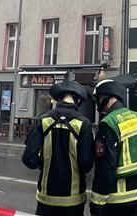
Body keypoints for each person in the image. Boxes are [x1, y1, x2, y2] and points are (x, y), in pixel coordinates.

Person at [22, 80, 94, 216]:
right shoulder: (83, 124)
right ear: (77, 100)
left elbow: (28, 158)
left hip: (45, 198)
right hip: (73, 200)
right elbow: (86, 163)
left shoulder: (42, 120)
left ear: (58, 98)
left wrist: (44, 165)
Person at [90, 79, 137, 216]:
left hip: (117, 198)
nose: (98, 102)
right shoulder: (136, 117)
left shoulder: (108, 123)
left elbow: (105, 167)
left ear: (111, 96)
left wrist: (97, 202)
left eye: (100, 98)